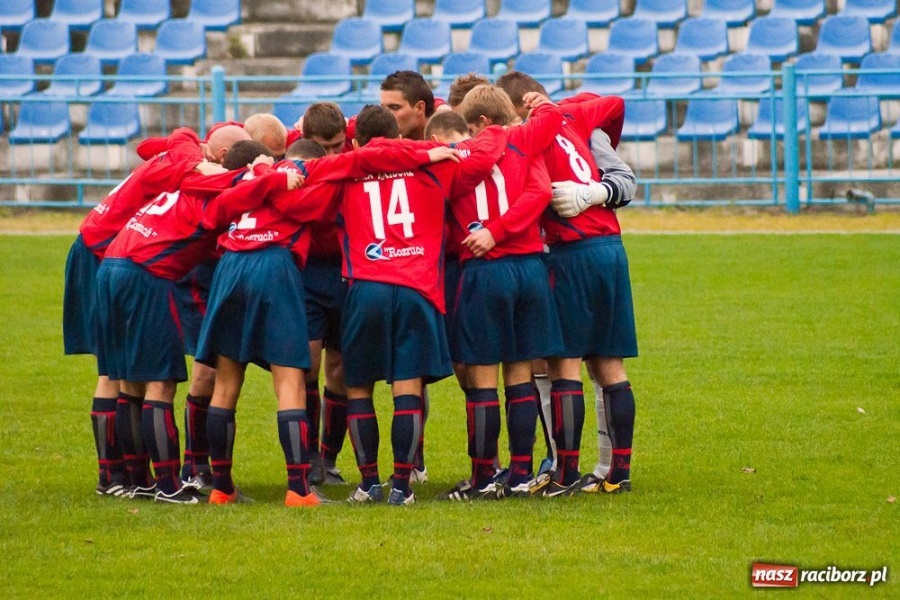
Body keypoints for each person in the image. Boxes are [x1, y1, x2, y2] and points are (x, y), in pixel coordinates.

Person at [196, 136, 460, 506]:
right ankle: (300, 489)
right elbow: (361, 162)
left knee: (226, 381)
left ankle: (221, 487)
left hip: (230, 265)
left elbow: (212, 214)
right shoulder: (312, 176)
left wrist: (262, 174)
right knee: (290, 381)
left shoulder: (243, 179)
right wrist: (423, 153)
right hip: (275, 263)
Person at [95, 141, 300, 504]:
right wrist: (277, 175)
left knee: (129, 381)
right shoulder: (219, 193)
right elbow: (249, 190)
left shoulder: (187, 180)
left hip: (112, 264)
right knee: (160, 384)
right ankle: (169, 486)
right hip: (146, 273)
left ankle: (136, 479)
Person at [63, 126, 248, 497]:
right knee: (122, 372)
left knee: (120, 371)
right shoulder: (194, 173)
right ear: (221, 158)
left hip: (104, 246)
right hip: (111, 252)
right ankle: (134, 478)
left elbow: (153, 143)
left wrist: (191, 151)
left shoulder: (182, 153)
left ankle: (125, 477)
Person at [336, 105, 506, 505]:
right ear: (399, 138)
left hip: (366, 284)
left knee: (358, 386)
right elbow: (483, 156)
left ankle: (367, 484)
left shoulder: (346, 168)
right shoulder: (436, 165)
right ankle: (401, 487)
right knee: (406, 387)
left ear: (357, 142)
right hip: (416, 285)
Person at [497, 72, 638, 496]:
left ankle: (565, 473)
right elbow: (614, 100)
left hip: (570, 252)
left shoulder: (528, 136)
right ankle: (618, 473)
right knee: (609, 363)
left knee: (564, 363)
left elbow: (537, 192)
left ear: (518, 106)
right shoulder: (573, 118)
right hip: (611, 249)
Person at [426, 88, 565, 501]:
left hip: (485, 271)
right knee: (520, 373)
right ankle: (521, 473)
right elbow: (539, 193)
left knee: (483, 376)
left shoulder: (457, 157)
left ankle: (484, 477)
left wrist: (488, 233)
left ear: (478, 124)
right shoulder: (524, 142)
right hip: (528, 267)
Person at [298, 102, 353, 485]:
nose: (333, 155)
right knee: (308, 367)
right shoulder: (294, 155)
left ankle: (329, 460)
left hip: (349, 272)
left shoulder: (355, 154)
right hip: (308, 276)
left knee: (342, 369)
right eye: (325, 147)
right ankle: (309, 457)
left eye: (338, 146)